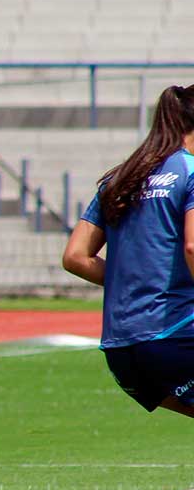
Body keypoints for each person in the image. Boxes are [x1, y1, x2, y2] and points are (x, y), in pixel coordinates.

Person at [63, 84, 194, 415]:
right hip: (176, 335)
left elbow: (76, 257)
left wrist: (132, 282)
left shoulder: (121, 178)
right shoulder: (190, 172)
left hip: (123, 351)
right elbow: (193, 247)